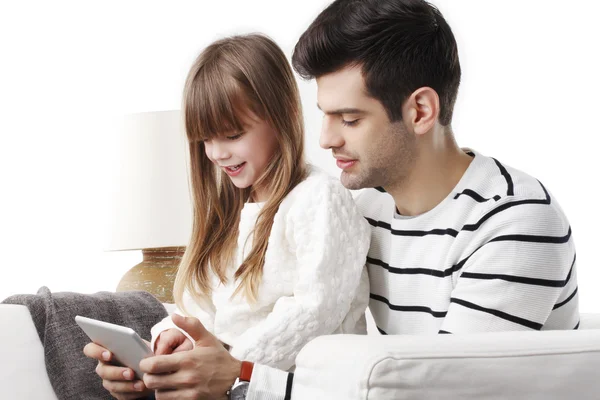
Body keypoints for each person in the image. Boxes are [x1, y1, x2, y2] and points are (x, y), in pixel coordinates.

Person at [95, 1, 581, 398]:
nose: (324, 140)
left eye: (349, 119)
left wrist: (240, 376)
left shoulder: (514, 221)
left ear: (420, 110)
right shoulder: (366, 208)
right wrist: (181, 361)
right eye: (324, 115)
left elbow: (443, 392)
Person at [83, 33, 370, 400]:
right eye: (205, 140)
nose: (216, 153)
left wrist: (227, 364)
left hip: (295, 387)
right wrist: (174, 339)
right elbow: (201, 310)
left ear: (284, 117)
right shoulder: (232, 213)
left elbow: (314, 313)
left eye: (233, 135)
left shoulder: (320, 199)